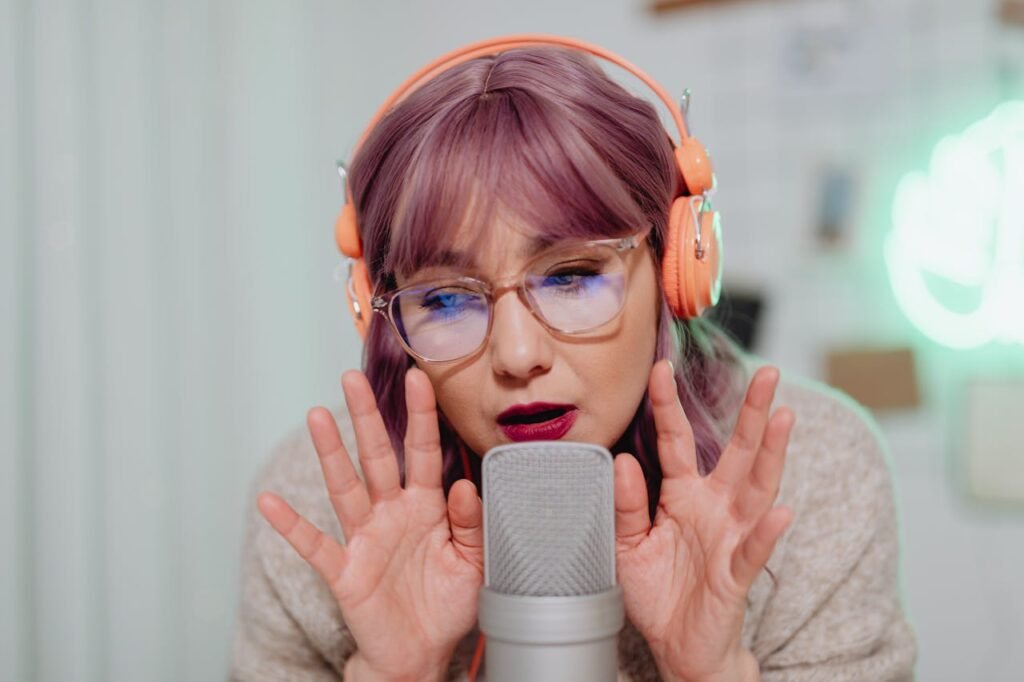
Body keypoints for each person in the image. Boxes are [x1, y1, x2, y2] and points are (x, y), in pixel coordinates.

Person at [230, 35, 918, 681]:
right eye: (443, 300)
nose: (517, 355)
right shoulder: (316, 508)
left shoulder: (811, 474)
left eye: (572, 277)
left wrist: (707, 675)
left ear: (676, 269)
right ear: (381, 312)